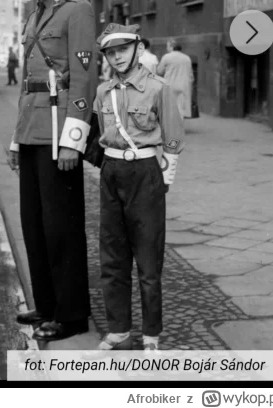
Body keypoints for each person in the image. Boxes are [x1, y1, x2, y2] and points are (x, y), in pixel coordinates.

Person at [7, 0, 97, 342]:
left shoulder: (76, 11)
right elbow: (28, 86)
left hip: (59, 132)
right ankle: (45, 304)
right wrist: (15, 138)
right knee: (34, 224)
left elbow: (83, 79)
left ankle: (72, 314)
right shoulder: (32, 18)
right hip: (31, 133)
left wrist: (73, 140)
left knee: (61, 227)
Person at [93, 23, 184, 352]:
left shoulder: (158, 89)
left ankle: (150, 335)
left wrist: (165, 180)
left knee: (148, 258)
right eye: (111, 52)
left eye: (122, 50)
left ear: (137, 50)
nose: (117, 57)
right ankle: (118, 329)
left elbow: (173, 139)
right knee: (112, 256)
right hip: (111, 171)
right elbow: (101, 133)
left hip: (145, 172)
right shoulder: (103, 92)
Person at [157, 39, 194, 119]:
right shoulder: (187, 58)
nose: (167, 48)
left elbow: (159, 71)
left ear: (171, 46)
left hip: (170, 85)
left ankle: (171, 128)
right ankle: (180, 128)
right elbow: (190, 75)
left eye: (167, 46)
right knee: (181, 109)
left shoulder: (167, 57)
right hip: (183, 85)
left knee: (169, 108)